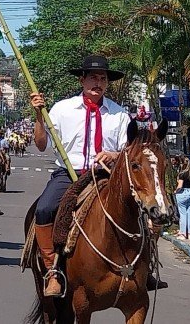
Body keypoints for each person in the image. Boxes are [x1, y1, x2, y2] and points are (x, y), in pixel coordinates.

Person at [30, 55, 130, 297]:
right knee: (44, 209)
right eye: (93, 77)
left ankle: (144, 269)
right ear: (82, 80)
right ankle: (52, 270)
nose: (98, 82)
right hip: (69, 173)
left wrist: (113, 155)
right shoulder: (62, 109)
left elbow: (129, 151)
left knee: (142, 210)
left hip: (104, 175)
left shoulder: (119, 114)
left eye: (103, 78)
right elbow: (41, 144)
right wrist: (39, 117)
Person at [174, 155, 190, 239]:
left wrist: (175, 191)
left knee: (183, 214)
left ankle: (183, 233)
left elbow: (180, 185)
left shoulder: (182, 173)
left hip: (182, 193)